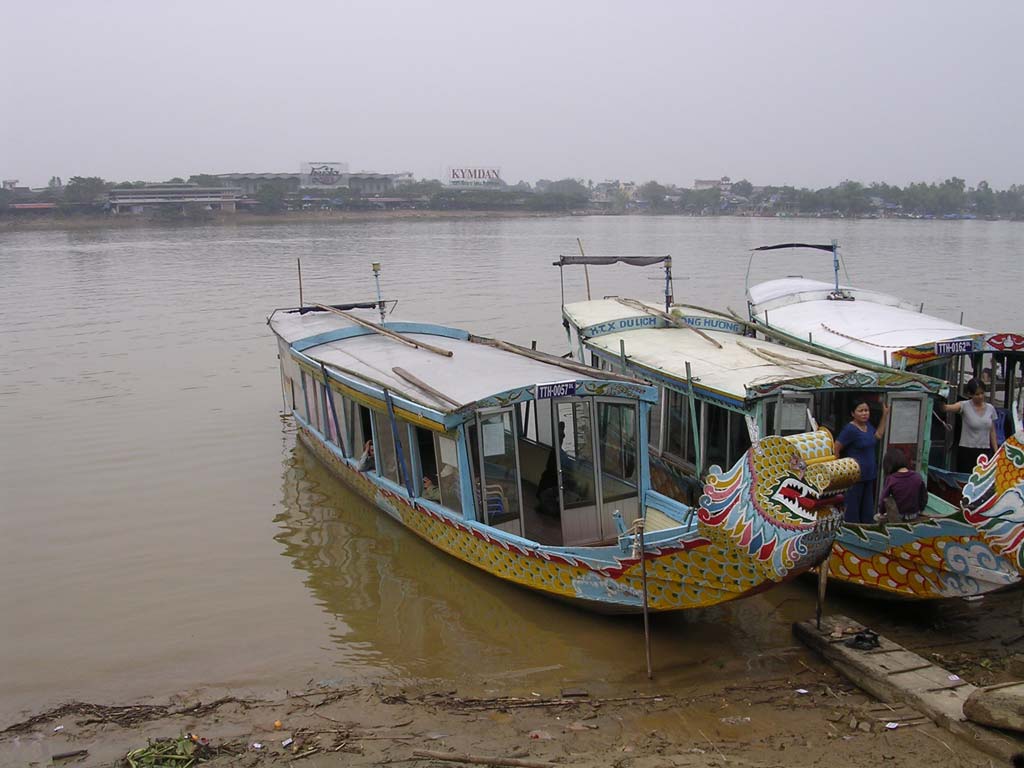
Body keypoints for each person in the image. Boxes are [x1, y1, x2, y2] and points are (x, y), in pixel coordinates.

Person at [835, 399, 890, 524]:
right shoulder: (850, 429)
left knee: (867, 511)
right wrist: (838, 469)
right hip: (855, 478)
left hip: (869, 476)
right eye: (861, 411)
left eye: (866, 410)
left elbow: (878, 436)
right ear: (853, 413)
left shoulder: (868, 426)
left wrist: (885, 415)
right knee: (852, 511)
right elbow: (837, 447)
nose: (865, 413)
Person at [942, 378, 998, 472]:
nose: (980, 396)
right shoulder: (964, 405)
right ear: (970, 394)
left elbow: (992, 431)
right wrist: (942, 395)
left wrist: (996, 451)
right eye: (977, 394)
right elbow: (945, 408)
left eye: (982, 393)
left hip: (984, 451)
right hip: (967, 451)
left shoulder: (990, 408)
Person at [877, 447, 927, 522]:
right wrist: (921, 509)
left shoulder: (891, 479)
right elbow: (923, 497)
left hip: (897, 518)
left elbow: (883, 500)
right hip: (914, 516)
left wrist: (881, 512)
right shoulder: (917, 477)